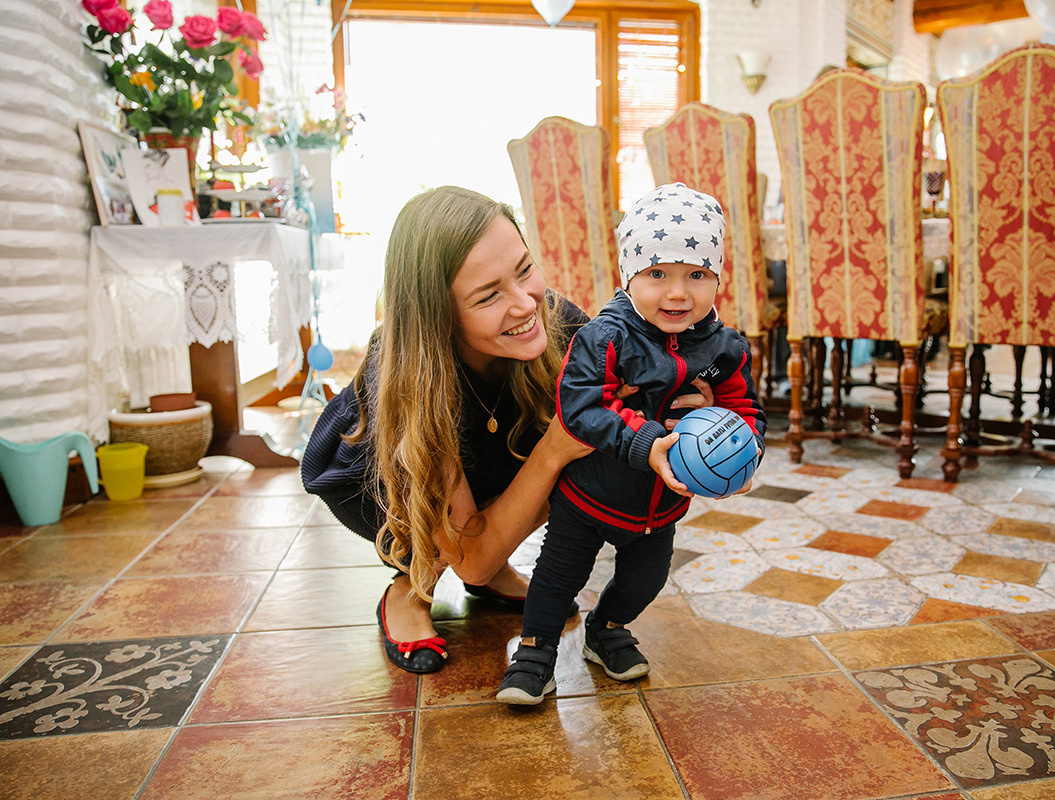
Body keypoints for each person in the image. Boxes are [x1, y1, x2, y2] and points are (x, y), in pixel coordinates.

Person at [301, 186, 712, 674]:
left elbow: (636, 400)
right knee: (458, 545)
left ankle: (493, 557)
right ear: (439, 316)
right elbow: (469, 559)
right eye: (488, 295)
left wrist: (683, 400)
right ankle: (409, 588)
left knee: (594, 435)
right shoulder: (411, 382)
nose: (525, 304)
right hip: (382, 479)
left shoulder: (557, 321)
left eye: (523, 270)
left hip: (495, 448)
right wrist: (555, 448)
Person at [496, 183, 767, 705]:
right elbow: (581, 408)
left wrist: (744, 450)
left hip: (661, 508)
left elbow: (745, 409)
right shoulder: (605, 337)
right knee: (555, 581)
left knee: (646, 581)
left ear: (717, 279)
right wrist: (647, 443)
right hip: (587, 499)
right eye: (657, 274)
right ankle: (534, 653)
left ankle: (606, 627)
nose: (677, 293)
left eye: (697, 275)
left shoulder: (725, 348)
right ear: (630, 274)